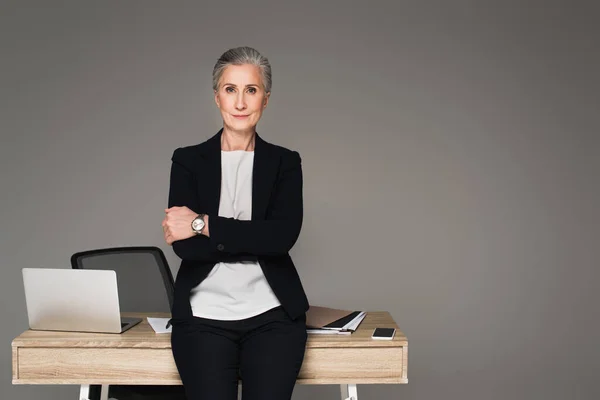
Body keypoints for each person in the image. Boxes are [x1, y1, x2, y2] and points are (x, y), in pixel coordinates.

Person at [161, 46, 310, 400]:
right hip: (202, 318)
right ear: (217, 98)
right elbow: (185, 247)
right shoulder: (188, 161)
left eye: (251, 90)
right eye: (231, 90)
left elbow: (281, 238)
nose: (240, 103)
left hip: (273, 316)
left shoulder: (285, 163)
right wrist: (249, 235)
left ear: (266, 99)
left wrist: (203, 223)